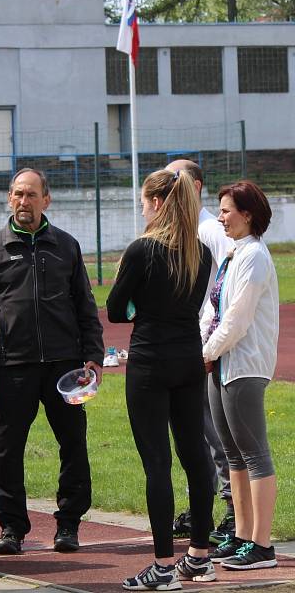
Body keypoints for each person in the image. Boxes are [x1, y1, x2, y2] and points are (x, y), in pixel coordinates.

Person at [0, 168, 103, 556]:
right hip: (11, 367)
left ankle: (68, 526)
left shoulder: (67, 246)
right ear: (9, 199)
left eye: (31, 195)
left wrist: (92, 358)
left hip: (65, 367)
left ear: (47, 199)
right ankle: (11, 528)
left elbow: (85, 307)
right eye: (17, 194)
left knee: (73, 445)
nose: (23, 202)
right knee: (5, 451)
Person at [107, 169, 215, 590]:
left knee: (158, 464)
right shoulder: (200, 253)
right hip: (189, 359)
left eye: (142, 202)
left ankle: (164, 566)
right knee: (196, 459)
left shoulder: (141, 251)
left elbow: (116, 310)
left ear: (154, 203)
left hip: (151, 362)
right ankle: (199, 556)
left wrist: (137, 304)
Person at [201, 181, 278, 570]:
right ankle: (242, 536)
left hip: (244, 365)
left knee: (254, 454)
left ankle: (262, 546)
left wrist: (207, 352)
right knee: (233, 454)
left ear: (247, 214)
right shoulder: (234, 253)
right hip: (222, 364)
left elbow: (238, 318)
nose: (220, 217)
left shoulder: (255, 257)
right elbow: (213, 309)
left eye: (227, 210)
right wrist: (205, 348)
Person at [165, 159, 235, 545]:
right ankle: (203, 505)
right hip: (186, 344)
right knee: (193, 432)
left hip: (205, 346)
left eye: (176, 180)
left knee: (214, 431)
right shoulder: (183, 231)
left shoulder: (210, 231)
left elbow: (224, 291)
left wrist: (210, 344)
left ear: (195, 187)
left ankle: (232, 509)